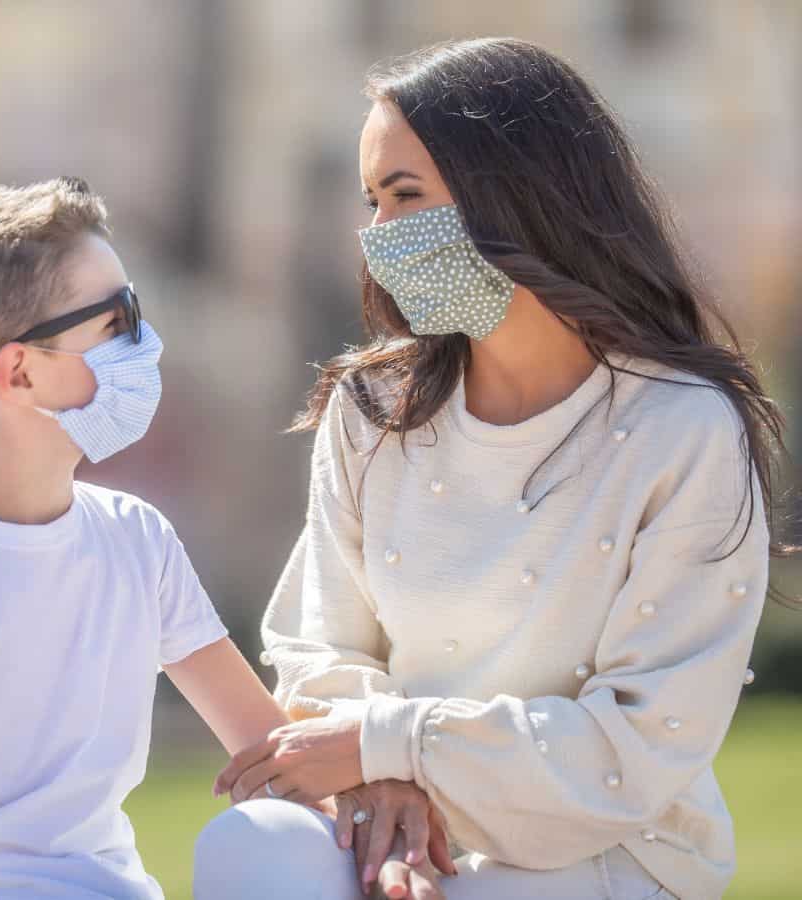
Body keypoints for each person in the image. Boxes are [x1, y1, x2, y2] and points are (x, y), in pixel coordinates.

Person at [197, 38, 793, 900]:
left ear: (520, 196)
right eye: (371, 202)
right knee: (249, 849)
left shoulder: (683, 428)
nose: (378, 237)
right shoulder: (374, 409)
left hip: (613, 849)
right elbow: (317, 643)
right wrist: (383, 783)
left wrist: (395, 745)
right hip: (387, 821)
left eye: (406, 197)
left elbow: (641, 741)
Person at [0, 177, 288, 900]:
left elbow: (270, 749)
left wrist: (377, 812)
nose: (146, 341)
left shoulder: (139, 540)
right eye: (116, 319)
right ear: (18, 372)